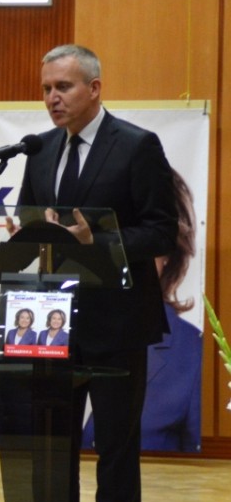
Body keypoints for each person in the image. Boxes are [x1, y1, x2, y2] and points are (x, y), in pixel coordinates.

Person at [0, 45, 178, 502]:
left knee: (116, 450)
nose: (52, 98)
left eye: (64, 87)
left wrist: (95, 240)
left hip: (117, 322)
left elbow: (160, 230)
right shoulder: (41, 150)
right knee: (51, 446)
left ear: (94, 89)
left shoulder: (137, 146)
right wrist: (24, 234)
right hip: (52, 322)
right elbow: (34, 219)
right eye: (46, 88)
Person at [82, 170, 201, 452]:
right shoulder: (38, 331)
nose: (119, 254)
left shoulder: (193, 354)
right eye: (104, 237)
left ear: (169, 252)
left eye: (139, 238)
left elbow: (202, 467)